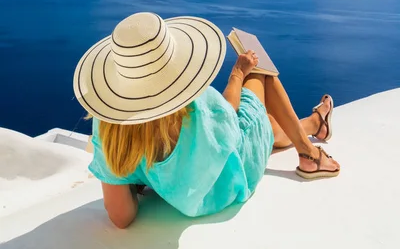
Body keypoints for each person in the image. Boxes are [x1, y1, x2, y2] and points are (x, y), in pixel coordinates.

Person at [73, 12, 340, 229]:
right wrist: (238, 72)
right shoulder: (195, 104)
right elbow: (228, 115)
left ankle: (316, 124)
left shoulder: (110, 129)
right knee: (262, 75)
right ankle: (309, 154)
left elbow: (121, 218)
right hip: (229, 180)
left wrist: (140, 178)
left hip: (185, 193)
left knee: (267, 127)